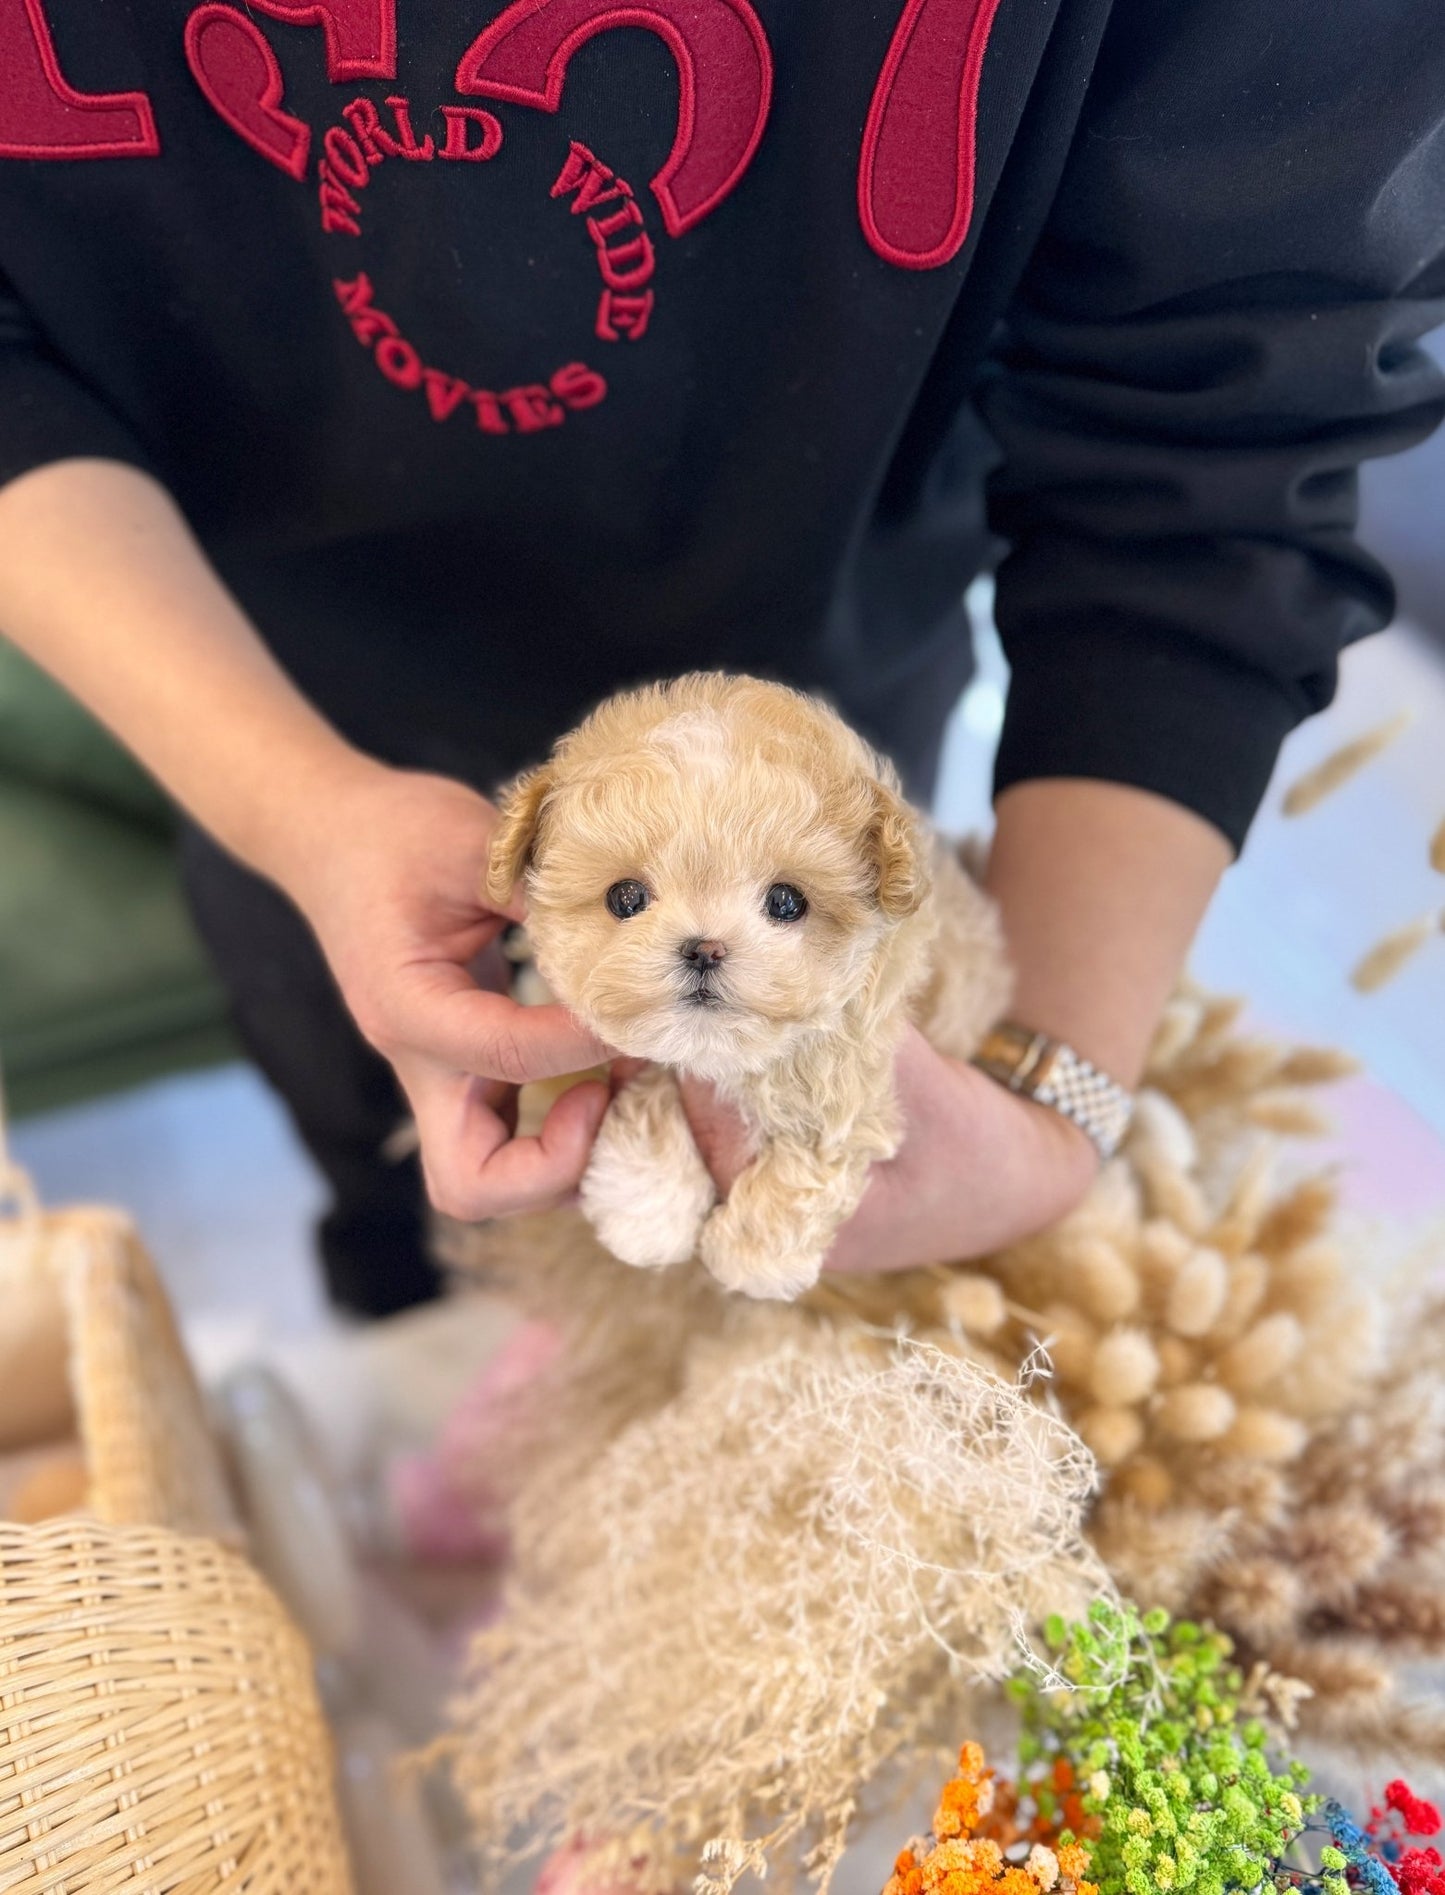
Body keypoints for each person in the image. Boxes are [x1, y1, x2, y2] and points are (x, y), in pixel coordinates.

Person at [1, 0, 1442, 1315]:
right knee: (404, 1223)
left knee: (804, 1281)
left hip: (838, 645)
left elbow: (1224, 415)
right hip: (263, 693)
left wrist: (1048, 1094)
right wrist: (290, 804)